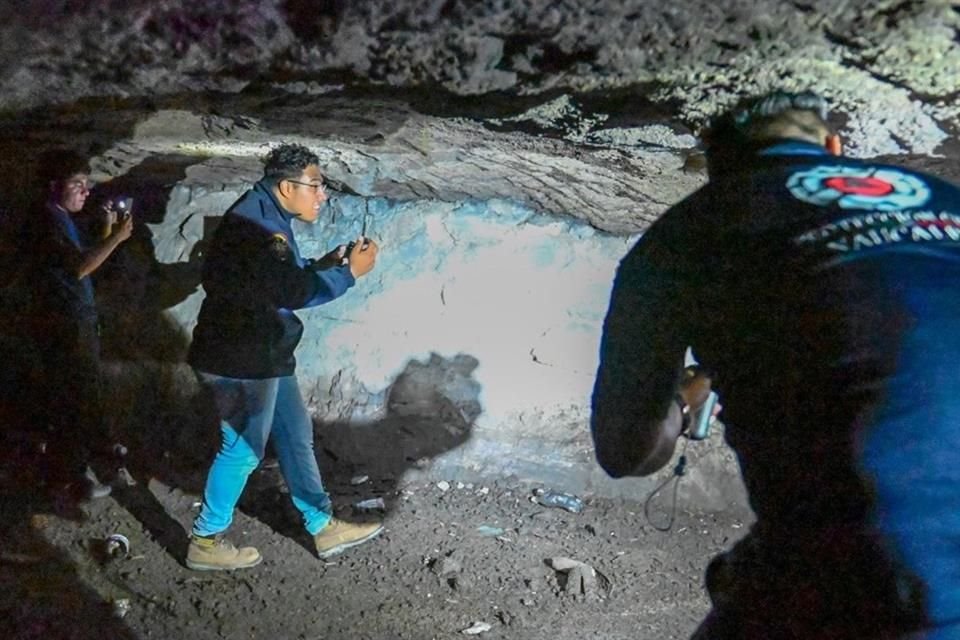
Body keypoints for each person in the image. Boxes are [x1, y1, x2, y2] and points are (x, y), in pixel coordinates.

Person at [591, 90, 960, 638]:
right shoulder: (946, 198)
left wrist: (685, 398)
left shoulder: (684, 235)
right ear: (834, 147)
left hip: (892, 584)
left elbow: (628, 451)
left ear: (719, 171)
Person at [185, 143, 382, 571]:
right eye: (316, 185)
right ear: (286, 186)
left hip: (262, 351)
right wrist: (348, 274)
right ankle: (205, 538)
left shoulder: (263, 214)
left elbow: (272, 280)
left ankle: (322, 523)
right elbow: (288, 291)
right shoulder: (260, 227)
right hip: (241, 358)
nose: (322, 194)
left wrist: (324, 264)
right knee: (242, 448)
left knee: (294, 431)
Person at [27, 149, 133, 500]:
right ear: (55, 186)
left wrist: (105, 230)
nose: (86, 192)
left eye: (87, 185)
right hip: (65, 325)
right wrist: (116, 238)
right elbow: (78, 269)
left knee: (80, 396)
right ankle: (68, 478)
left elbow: (81, 261)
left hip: (77, 321)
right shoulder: (46, 221)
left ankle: (73, 471)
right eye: (78, 184)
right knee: (74, 399)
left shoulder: (62, 219)